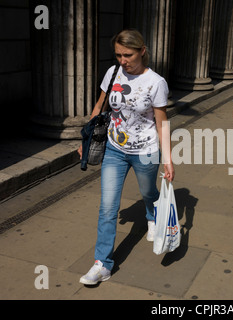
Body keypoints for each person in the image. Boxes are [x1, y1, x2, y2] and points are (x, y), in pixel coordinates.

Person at [78, 29, 175, 285]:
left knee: (148, 193)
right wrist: (85, 141)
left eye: (128, 55)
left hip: (145, 151)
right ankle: (102, 264)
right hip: (114, 149)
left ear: (142, 51)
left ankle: (152, 215)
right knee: (108, 207)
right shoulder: (112, 73)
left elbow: (161, 122)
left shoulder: (156, 82)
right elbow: (100, 107)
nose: (123, 60)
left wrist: (168, 159)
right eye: (119, 55)